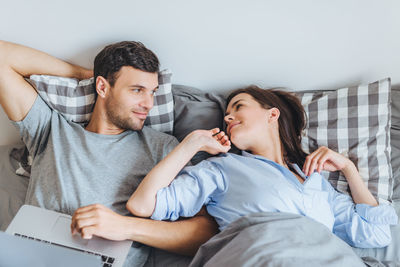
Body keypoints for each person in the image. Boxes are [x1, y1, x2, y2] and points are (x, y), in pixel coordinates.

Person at [0, 40, 218, 265]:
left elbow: (206, 231)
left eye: (152, 92)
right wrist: (82, 75)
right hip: (32, 256)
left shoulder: (163, 148)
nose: (148, 103)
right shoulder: (50, 128)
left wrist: (125, 227)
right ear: (102, 87)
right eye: (137, 90)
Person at [126, 85, 398, 248]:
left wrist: (348, 168)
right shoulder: (223, 168)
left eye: (238, 106)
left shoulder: (316, 183)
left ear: (272, 114)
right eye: (226, 114)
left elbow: (376, 233)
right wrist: (191, 144)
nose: (228, 116)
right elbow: (142, 205)